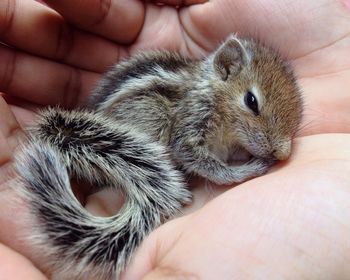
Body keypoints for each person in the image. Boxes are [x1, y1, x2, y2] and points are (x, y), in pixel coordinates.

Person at [1, 0, 350, 279]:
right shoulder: (203, 100)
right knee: (160, 121)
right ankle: (133, 170)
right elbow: (188, 149)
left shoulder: (233, 109)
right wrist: (233, 173)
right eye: (252, 104)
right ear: (225, 68)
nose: (283, 149)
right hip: (139, 118)